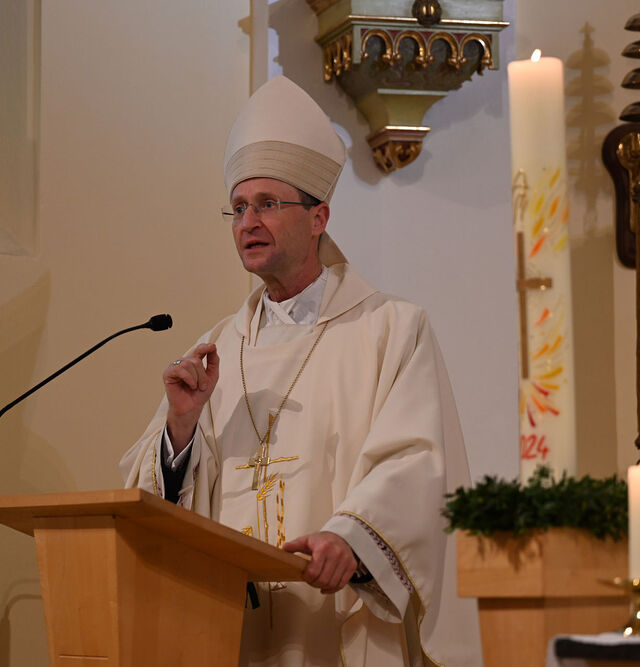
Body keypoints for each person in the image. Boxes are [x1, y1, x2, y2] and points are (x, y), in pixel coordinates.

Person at [120, 76, 472, 666]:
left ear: (318, 218)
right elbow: (155, 504)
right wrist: (181, 428)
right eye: (238, 208)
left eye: (267, 204)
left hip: (335, 619)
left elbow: (418, 465)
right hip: (228, 630)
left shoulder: (390, 329)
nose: (247, 222)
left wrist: (353, 540)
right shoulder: (215, 348)